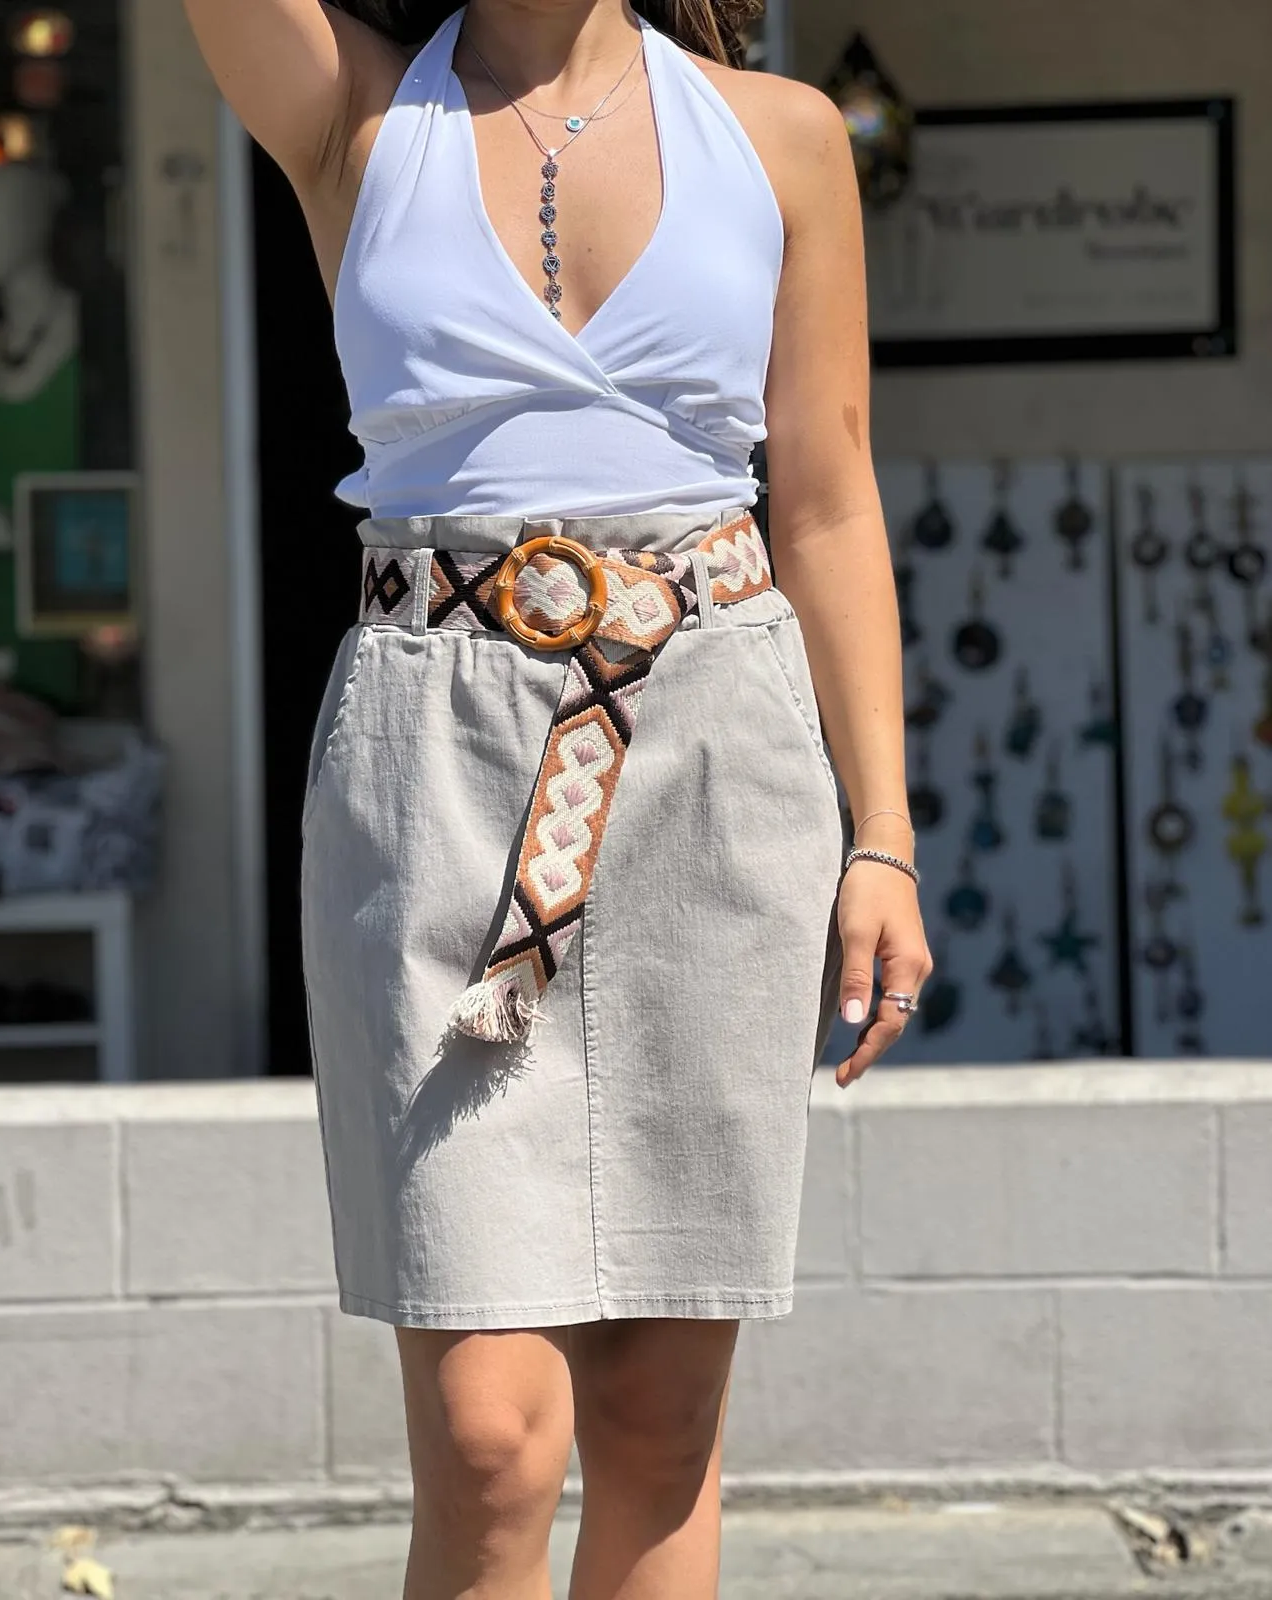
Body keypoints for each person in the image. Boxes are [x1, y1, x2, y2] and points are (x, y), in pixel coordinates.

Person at [184, 0, 930, 1593]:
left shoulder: (783, 134)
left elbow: (829, 496)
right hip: (431, 755)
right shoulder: (356, 118)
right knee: (487, 1434)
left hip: (713, 744)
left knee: (660, 1425)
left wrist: (885, 837)